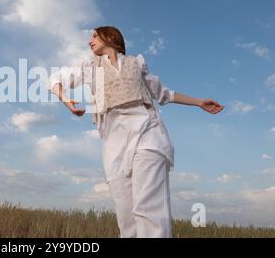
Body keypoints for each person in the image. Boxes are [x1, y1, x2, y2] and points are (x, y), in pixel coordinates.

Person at [48, 26, 225, 238]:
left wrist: (198, 102)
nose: (89, 41)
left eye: (94, 35)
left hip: (147, 133)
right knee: (126, 217)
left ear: (111, 37)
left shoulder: (137, 63)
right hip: (114, 143)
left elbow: (164, 93)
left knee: (149, 209)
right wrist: (66, 100)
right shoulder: (89, 66)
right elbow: (56, 79)